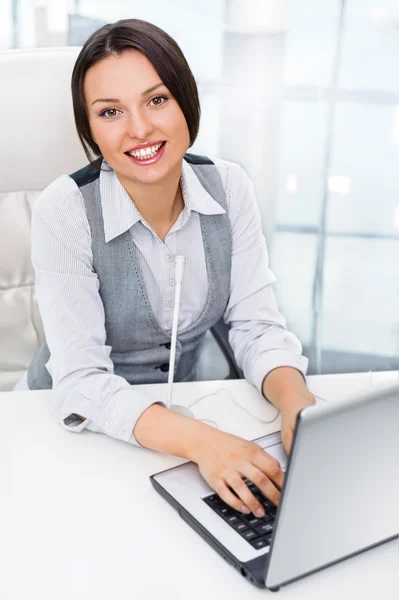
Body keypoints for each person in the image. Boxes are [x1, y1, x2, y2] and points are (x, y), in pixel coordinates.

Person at [17, 19, 314, 520]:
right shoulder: (64, 211)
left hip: (180, 430)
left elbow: (255, 326)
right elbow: (83, 381)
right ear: (89, 129)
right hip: (74, 433)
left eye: (156, 100)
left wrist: (299, 404)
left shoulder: (229, 188)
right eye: (110, 112)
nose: (139, 129)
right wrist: (205, 443)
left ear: (185, 102)